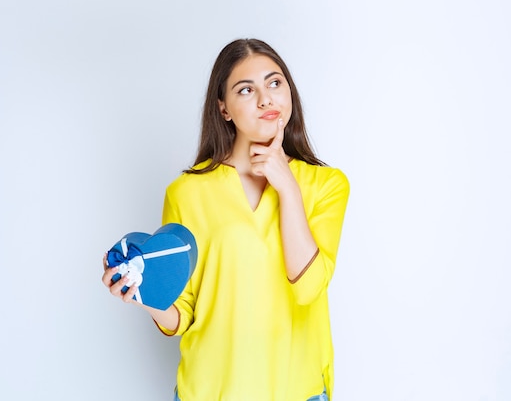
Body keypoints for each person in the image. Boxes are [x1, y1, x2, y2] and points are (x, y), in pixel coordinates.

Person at [102, 38, 350, 401]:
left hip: (297, 391)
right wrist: (142, 294)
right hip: (210, 392)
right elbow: (182, 315)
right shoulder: (187, 192)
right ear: (224, 110)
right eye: (246, 90)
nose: (266, 99)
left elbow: (309, 287)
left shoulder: (327, 185)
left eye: (275, 83)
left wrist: (288, 188)